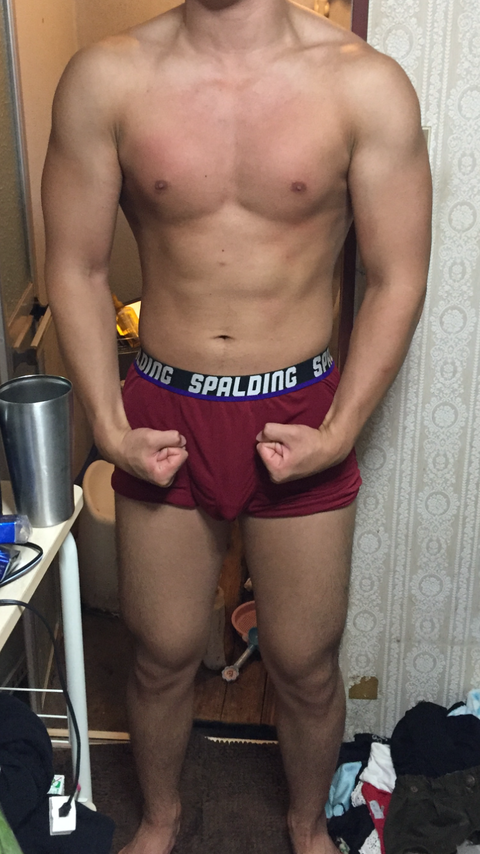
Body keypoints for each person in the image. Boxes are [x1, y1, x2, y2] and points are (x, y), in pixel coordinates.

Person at [41, 1, 432, 852]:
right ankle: (162, 819)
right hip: (163, 404)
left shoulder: (364, 85)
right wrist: (108, 422)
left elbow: (397, 276)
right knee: (159, 654)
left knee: (304, 663)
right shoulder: (108, 78)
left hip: (301, 406)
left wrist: (343, 427)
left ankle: (305, 827)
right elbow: (75, 265)